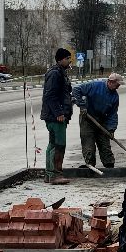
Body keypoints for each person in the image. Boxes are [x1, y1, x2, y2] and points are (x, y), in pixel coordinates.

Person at [73, 72, 123, 169]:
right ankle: (90, 165)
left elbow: (113, 114)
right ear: (111, 82)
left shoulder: (115, 96)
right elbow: (76, 89)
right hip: (87, 118)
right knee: (88, 145)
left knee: (105, 144)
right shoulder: (94, 86)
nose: (118, 87)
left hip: (102, 120)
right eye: (117, 85)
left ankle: (109, 165)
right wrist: (82, 105)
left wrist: (111, 129)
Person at [40, 48, 74, 184]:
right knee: (59, 145)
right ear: (60, 59)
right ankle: (55, 175)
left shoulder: (60, 72)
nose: (69, 61)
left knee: (53, 144)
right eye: (67, 58)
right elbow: (50, 96)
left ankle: (49, 174)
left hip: (54, 115)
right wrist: (59, 113)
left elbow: (62, 93)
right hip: (55, 117)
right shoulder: (55, 74)